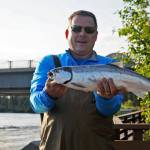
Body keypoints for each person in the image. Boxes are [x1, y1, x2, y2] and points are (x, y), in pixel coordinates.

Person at [30, 10, 126, 150]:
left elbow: (110, 110)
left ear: (96, 36)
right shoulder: (49, 62)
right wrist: (48, 95)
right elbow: (36, 105)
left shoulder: (111, 65)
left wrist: (106, 99)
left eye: (89, 30)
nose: (82, 33)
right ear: (67, 33)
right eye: (76, 29)